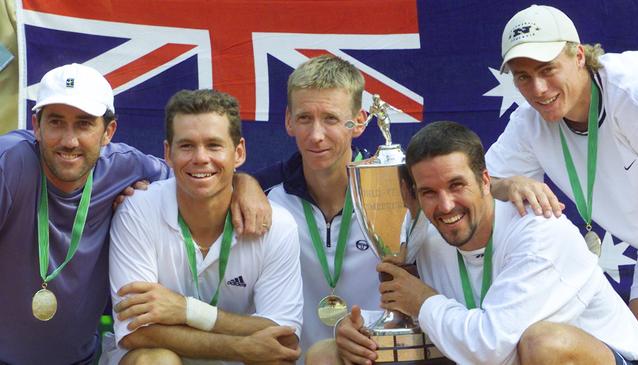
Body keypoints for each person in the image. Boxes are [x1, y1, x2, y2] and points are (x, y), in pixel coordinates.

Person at [0, 63, 269, 364]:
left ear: (108, 131)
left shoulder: (128, 167)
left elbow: (198, 175)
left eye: (85, 123)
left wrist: (244, 183)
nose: (69, 140)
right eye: (56, 122)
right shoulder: (8, 164)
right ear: (36, 125)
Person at [335, 121, 638, 365]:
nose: (445, 206)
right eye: (429, 192)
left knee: (545, 343)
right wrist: (359, 333)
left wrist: (422, 301)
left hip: (612, 358)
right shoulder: (425, 238)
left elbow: (491, 346)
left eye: (457, 185)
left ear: (486, 181)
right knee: (329, 352)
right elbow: (424, 329)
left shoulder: (540, 231)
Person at [102, 89, 303, 365]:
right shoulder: (137, 210)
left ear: (239, 152)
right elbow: (136, 331)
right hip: (176, 357)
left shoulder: (276, 223)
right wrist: (239, 347)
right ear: (167, 154)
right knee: (154, 360)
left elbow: (284, 334)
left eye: (214, 145)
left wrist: (186, 310)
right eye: (186, 146)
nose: (200, 157)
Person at [485, 4, 638, 332]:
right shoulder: (529, 125)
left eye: (547, 70)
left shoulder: (635, 93)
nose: (538, 90)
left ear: (578, 56)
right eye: (523, 77)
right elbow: (482, 182)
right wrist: (510, 185)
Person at [262, 55, 382, 363]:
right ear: (289, 120)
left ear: (359, 121)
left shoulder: (393, 195)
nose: (316, 135)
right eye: (304, 118)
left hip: (372, 355)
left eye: (330, 118)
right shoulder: (262, 197)